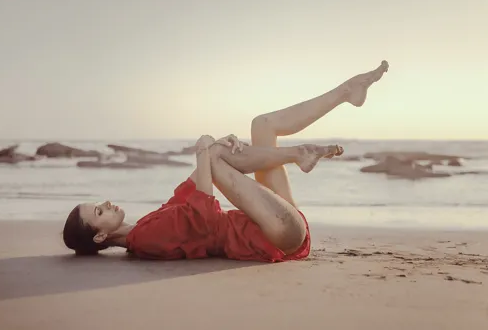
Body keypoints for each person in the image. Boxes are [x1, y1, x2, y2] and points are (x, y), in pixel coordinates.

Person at [63, 61, 390, 262]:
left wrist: (214, 145)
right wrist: (206, 151)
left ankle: (347, 91)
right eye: (99, 212)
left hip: (278, 222)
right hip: (275, 236)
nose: (106, 203)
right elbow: (205, 215)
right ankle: (296, 155)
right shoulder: (145, 239)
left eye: (99, 203)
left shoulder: (148, 223)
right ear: (100, 238)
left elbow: (191, 187)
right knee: (215, 155)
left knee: (261, 125)